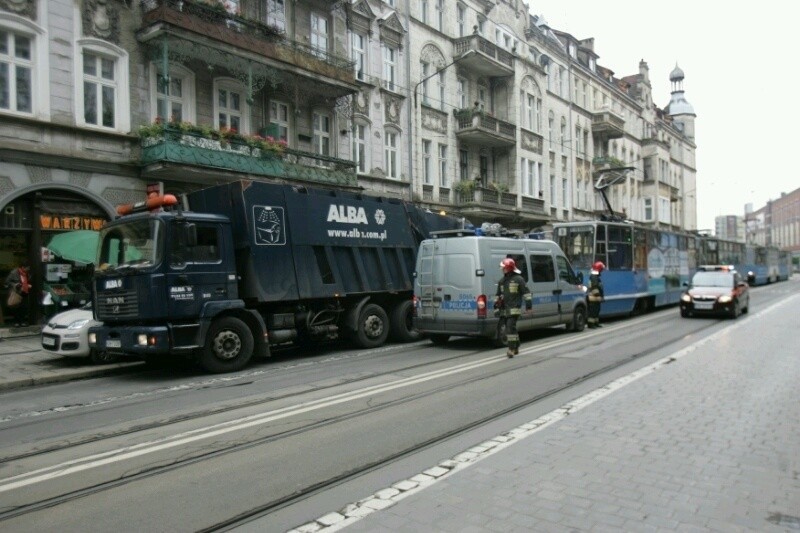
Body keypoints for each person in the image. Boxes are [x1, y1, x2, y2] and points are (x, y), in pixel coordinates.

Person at [495, 258, 532, 358]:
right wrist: (496, 307)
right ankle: (516, 346)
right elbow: (498, 295)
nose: (502, 270)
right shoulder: (501, 281)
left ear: (509, 268)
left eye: (504, 268)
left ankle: (511, 349)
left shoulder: (519, 279)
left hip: (514, 309)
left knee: (509, 328)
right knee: (512, 329)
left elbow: (527, 294)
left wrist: (529, 307)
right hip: (504, 310)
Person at [587, 261, 605, 328]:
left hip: (596, 299)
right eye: (601, 270)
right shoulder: (594, 277)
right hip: (593, 298)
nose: (601, 271)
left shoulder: (595, 276)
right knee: (593, 312)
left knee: (596, 311)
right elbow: (595, 287)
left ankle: (596, 323)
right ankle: (591, 324)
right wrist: (598, 295)